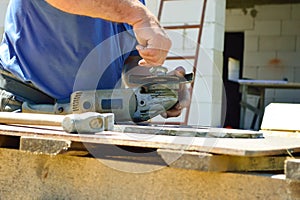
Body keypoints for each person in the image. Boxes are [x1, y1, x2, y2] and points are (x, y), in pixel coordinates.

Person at [0, 0, 189, 119]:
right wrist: (136, 15)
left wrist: (161, 90)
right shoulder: (134, 9)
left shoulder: (135, 3)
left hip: (96, 120)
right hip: (29, 110)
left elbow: (131, 64)